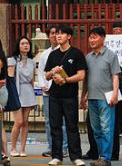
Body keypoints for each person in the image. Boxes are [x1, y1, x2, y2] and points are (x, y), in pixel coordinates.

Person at [44, 25, 87, 166]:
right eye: (57, 34)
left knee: (72, 126)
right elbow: (46, 75)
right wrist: (53, 72)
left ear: (69, 36)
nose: (58, 36)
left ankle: (76, 157)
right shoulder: (53, 55)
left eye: (62, 34)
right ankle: (57, 156)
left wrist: (65, 80)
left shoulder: (76, 53)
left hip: (70, 96)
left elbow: (81, 75)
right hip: (54, 96)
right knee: (55, 126)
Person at [80, 27, 120, 166]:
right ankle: (101, 156)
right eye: (90, 37)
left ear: (103, 38)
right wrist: (83, 96)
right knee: (96, 130)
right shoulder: (88, 57)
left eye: (95, 37)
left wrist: (115, 93)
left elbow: (115, 76)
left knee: (106, 128)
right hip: (92, 98)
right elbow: (86, 79)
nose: (92, 40)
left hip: (106, 98)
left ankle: (105, 158)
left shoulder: (111, 55)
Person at [38, 26, 68, 158]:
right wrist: (43, 86)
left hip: (61, 90)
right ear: (48, 36)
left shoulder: (65, 52)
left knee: (62, 121)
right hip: (47, 92)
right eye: (52, 33)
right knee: (48, 121)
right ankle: (51, 147)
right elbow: (41, 72)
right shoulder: (45, 54)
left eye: (57, 33)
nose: (55, 36)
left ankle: (64, 148)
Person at [8, 36, 36, 157]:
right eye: (23, 43)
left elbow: (32, 80)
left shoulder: (32, 62)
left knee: (25, 122)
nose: (25, 45)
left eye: (27, 43)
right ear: (18, 46)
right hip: (17, 91)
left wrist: (34, 95)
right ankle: (13, 148)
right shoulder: (12, 60)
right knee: (18, 121)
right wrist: (11, 95)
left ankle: (22, 149)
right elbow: (10, 79)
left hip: (28, 91)